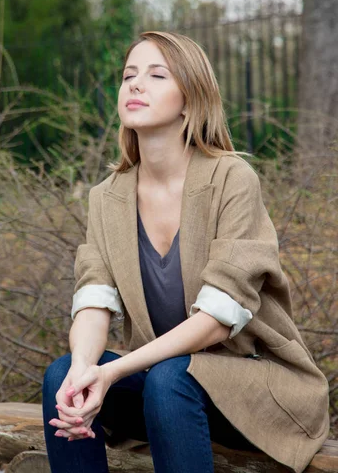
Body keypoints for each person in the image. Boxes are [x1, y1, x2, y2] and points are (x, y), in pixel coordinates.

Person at [42, 31, 330, 473]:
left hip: (254, 391)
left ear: (190, 100)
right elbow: (93, 299)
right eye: (128, 75)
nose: (136, 84)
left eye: (157, 75)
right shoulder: (106, 197)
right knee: (64, 376)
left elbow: (217, 320)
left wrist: (113, 372)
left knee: (171, 378)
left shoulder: (231, 179)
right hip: (165, 390)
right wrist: (85, 372)